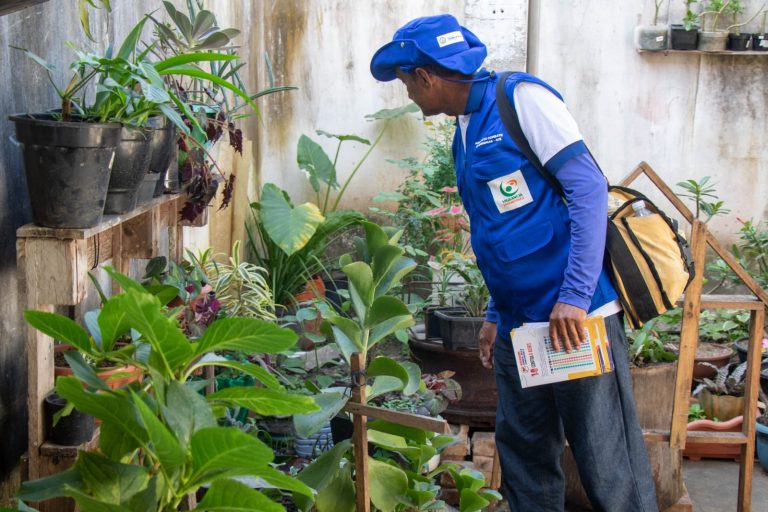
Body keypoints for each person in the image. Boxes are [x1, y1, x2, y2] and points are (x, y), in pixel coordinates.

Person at [370, 14, 659, 512]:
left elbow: (589, 189)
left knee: (607, 460)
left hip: (575, 319)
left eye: (405, 82)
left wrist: (572, 298)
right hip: (519, 327)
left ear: (426, 76)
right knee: (525, 454)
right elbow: (500, 232)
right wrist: (495, 316)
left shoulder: (521, 101)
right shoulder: (465, 129)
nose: (408, 96)